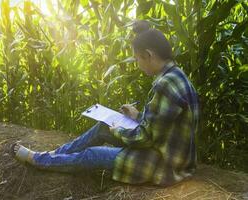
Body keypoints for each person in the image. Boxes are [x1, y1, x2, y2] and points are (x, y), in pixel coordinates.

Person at [11, 20, 199, 186]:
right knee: (102, 127)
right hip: (167, 152)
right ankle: (54, 155)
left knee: (93, 154)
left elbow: (146, 138)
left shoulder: (164, 85)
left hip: (163, 163)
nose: (137, 64)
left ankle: (38, 160)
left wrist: (117, 129)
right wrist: (136, 116)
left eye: (137, 59)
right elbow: (163, 125)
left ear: (148, 55)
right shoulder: (176, 75)